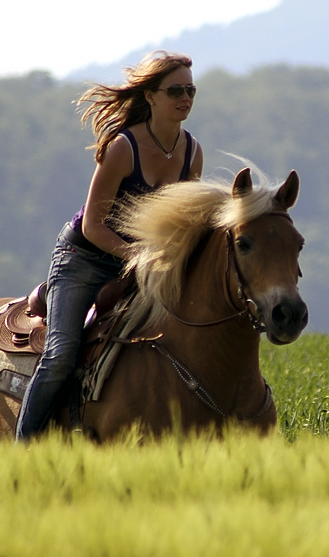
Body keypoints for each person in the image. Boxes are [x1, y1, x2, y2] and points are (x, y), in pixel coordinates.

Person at [16, 51, 204, 440]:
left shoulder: (192, 152)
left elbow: (181, 225)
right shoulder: (122, 147)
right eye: (174, 91)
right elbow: (93, 226)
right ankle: (22, 449)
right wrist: (139, 256)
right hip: (84, 259)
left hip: (145, 265)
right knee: (61, 356)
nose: (184, 98)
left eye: (190, 90)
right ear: (150, 96)